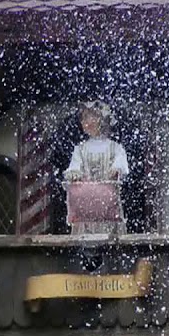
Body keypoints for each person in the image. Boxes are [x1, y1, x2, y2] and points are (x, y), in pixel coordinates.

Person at [64, 101, 129, 236]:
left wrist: (117, 168)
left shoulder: (115, 147)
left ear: (103, 119)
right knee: (85, 238)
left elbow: (121, 163)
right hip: (85, 205)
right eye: (84, 118)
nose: (88, 121)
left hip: (108, 205)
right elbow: (74, 167)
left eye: (92, 117)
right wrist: (74, 173)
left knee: (110, 239)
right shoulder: (80, 149)